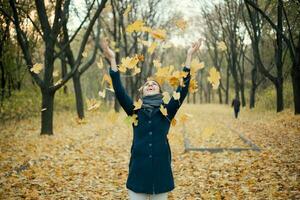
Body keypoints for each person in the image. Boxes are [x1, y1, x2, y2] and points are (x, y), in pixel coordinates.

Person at [100, 38, 201, 200]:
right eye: (147, 85)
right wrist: (112, 59)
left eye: (154, 84)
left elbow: (182, 90)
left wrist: (189, 56)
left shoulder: (167, 110)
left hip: (160, 174)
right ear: (143, 93)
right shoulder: (135, 111)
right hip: (138, 172)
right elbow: (118, 90)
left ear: (160, 91)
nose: (150, 85)